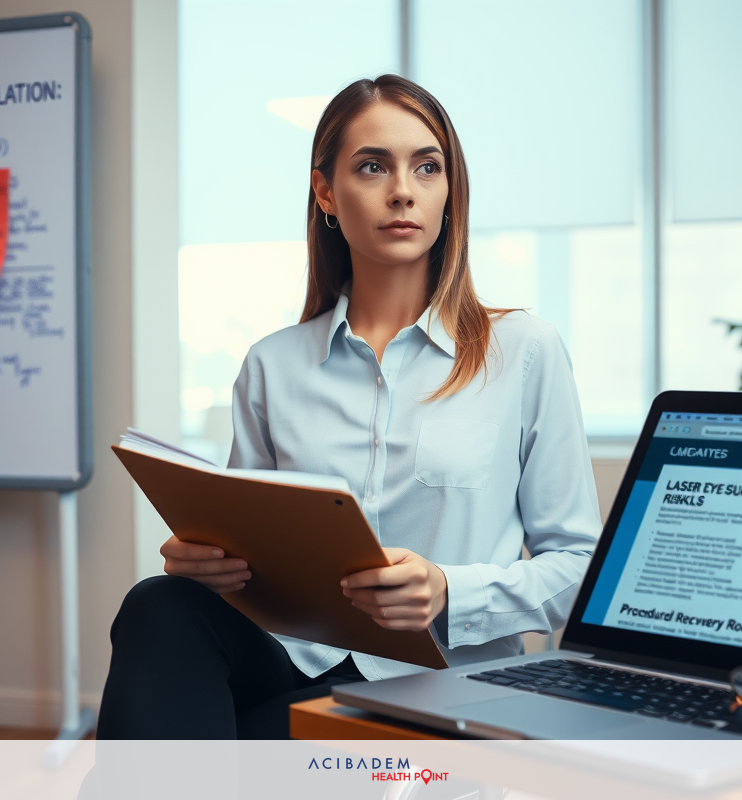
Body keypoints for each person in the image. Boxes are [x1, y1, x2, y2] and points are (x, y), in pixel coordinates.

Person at [96, 74, 602, 739]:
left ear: (450, 192)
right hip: (294, 657)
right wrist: (210, 566)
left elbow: (576, 568)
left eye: (427, 166)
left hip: (442, 678)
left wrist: (450, 590)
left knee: (239, 741)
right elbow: (251, 551)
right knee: (159, 603)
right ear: (326, 192)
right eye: (372, 166)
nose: (403, 190)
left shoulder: (524, 352)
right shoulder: (272, 365)